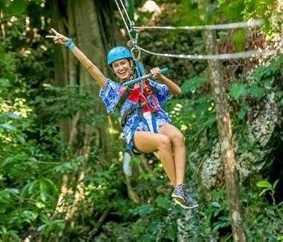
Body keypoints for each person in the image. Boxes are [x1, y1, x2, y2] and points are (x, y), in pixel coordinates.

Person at [47, 28, 198, 209]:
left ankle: (180, 187)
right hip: (136, 130)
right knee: (164, 142)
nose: (121, 68)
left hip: (156, 120)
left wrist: (160, 76)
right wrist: (70, 44)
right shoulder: (113, 89)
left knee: (178, 137)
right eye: (116, 65)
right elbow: (90, 67)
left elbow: (177, 91)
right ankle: (176, 188)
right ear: (113, 70)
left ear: (131, 64)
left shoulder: (146, 81)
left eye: (123, 63)